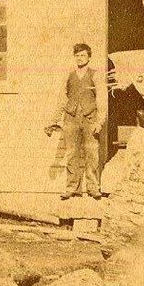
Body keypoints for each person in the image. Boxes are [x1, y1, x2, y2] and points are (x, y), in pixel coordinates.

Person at [54, 41, 104, 198]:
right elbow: (62, 99)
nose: (80, 58)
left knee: (92, 154)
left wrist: (100, 122)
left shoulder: (95, 75)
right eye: (77, 55)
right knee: (71, 153)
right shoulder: (69, 75)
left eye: (83, 55)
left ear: (89, 58)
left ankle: (93, 187)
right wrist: (55, 120)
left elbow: (101, 99)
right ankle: (71, 188)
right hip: (71, 118)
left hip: (90, 119)